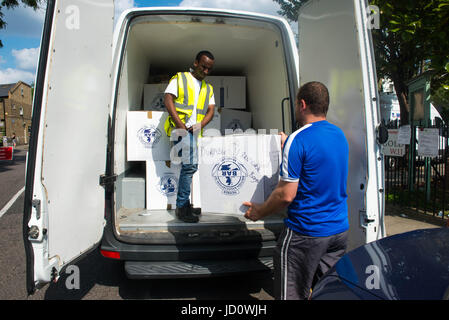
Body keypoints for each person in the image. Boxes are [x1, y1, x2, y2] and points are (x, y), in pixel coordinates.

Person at [243, 81, 349, 300]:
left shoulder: (298, 140)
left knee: (290, 295)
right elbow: (318, 169)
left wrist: (259, 212)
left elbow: (285, 196)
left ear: (302, 104)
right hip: (338, 232)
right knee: (325, 292)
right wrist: (288, 145)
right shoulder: (339, 135)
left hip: (305, 233)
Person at [164, 51, 216, 223]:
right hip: (180, 129)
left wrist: (200, 125)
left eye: (209, 69)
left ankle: (184, 205)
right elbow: (168, 99)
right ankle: (182, 206)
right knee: (191, 166)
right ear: (195, 63)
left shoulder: (208, 88)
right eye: (203, 67)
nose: (206, 71)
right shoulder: (180, 78)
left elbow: (211, 110)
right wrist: (180, 125)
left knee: (189, 167)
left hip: (193, 133)